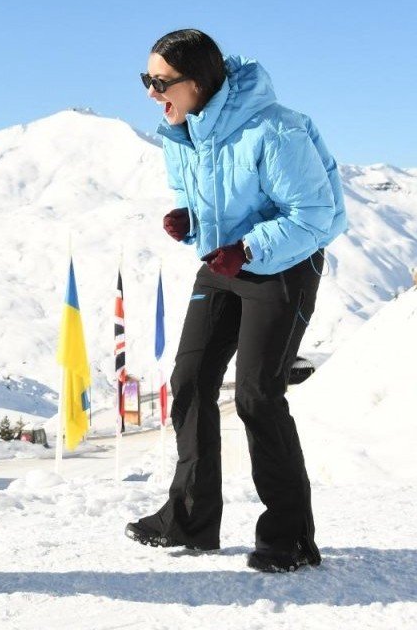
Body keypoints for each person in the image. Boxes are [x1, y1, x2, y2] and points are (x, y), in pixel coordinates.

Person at [124, 29, 347, 573]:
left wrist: (248, 248)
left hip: (284, 265)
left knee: (256, 396)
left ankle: (289, 538)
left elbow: (315, 217)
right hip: (225, 263)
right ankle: (190, 520)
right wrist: (190, 219)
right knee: (190, 382)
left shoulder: (276, 129)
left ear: (198, 82)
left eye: (161, 82)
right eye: (146, 79)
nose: (152, 92)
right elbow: (202, 194)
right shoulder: (185, 130)